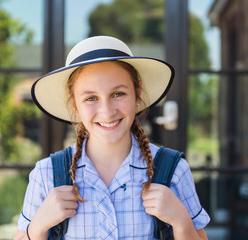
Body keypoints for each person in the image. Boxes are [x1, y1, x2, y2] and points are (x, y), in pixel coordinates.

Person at [14, 36, 210, 240]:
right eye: (91, 98)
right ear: (75, 106)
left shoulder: (174, 171)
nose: (107, 112)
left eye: (118, 94)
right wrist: (37, 228)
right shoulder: (46, 175)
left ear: (137, 93)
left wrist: (181, 221)